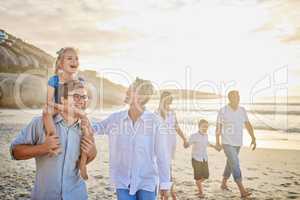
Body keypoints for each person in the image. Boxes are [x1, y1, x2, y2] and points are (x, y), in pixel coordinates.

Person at [10, 80, 97, 200]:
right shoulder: (39, 123)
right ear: (63, 100)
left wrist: (90, 153)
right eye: (76, 96)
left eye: (84, 97)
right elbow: (15, 152)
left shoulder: (86, 128)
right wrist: (43, 148)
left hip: (77, 195)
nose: (81, 100)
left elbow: (92, 155)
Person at [92, 78, 172, 200]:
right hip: (123, 180)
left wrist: (165, 184)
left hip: (147, 180)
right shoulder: (116, 119)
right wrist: (78, 117)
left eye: (131, 90)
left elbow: (162, 155)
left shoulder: (155, 122)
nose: (127, 92)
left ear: (140, 96)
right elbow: (95, 128)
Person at [43, 47, 89, 179]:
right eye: (70, 58)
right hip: (58, 107)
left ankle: (83, 162)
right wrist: (63, 108)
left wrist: (80, 111)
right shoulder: (54, 80)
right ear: (60, 63)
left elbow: (82, 101)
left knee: (87, 132)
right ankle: (53, 142)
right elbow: (49, 101)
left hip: (74, 110)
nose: (74, 61)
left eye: (76, 58)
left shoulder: (79, 80)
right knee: (46, 112)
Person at [215, 90, 256, 198]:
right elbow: (218, 126)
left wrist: (253, 137)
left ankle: (223, 183)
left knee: (230, 162)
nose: (238, 98)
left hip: (238, 142)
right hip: (226, 142)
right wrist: (217, 142)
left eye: (239, 96)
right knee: (235, 162)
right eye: (236, 97)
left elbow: (247, 124)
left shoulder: (242, 110)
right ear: (230, 98)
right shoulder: (223, 110)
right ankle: (242, 190)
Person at [156, 91, 188, 200]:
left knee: (167, 168)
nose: (172, 99)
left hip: (171, 143)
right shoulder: (157, 112)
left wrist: (184, 138)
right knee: (165, 168)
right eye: (170, 97)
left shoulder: (172, 112)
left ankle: (164, 193)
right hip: (161, 144)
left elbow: (177, 127)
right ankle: (169, 193)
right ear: (164, 98)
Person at [184, 119, 218, 198]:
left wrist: (215, 147)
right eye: (204, 126)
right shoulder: (194, 136)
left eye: (207, 127)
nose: (205, 128)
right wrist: (185, 143)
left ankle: (198, 182)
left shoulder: (206, 135)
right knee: (198, 177)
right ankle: (200, 192)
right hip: (196, 159)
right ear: (199, 127)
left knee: (206, 176)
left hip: (204, 158)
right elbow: (187, 145)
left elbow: (207, 143)